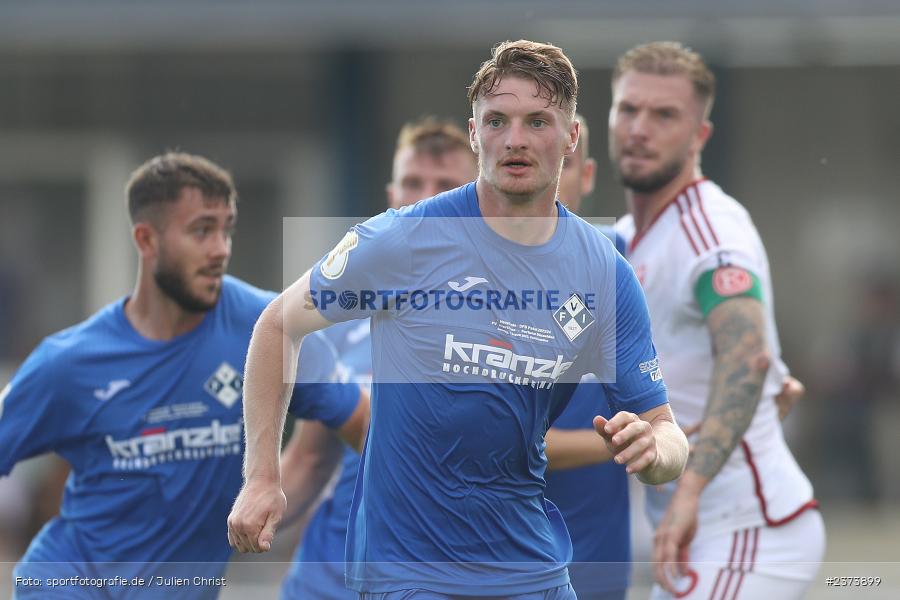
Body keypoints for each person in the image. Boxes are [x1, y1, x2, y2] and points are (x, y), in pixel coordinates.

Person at [229, 39, 689, 599]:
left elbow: (666, 432)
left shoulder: (604, 274)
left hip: (531, 571)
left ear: (570, 136)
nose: (515, 140)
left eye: (537, 121)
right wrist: (261, 477)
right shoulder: (403, 240)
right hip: (411, 575)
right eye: (497, 121)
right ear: (475, 135)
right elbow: (278, 324)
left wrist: (654, 450)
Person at [0, 152, 367, 599]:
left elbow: (366, 426)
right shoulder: (70, 363)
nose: (220, 249)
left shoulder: (266, 330)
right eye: (201, 231)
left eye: (226, 229)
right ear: (146, 239)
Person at [607, 42, 825, 598]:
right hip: (692, 531)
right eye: (628, 109)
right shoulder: (624, 239)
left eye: (664, 115)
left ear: (699, 136)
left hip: (746, 528)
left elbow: (747, 356)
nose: (640, 128)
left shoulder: (712, 230)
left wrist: (688, 492)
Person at [279, 117, 477, 600]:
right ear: (391, 194)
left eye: (445, 186)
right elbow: (309, 460)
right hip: (322, 583)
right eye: (412, 183)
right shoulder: (344, 313)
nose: (424, 199)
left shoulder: (503, 317)